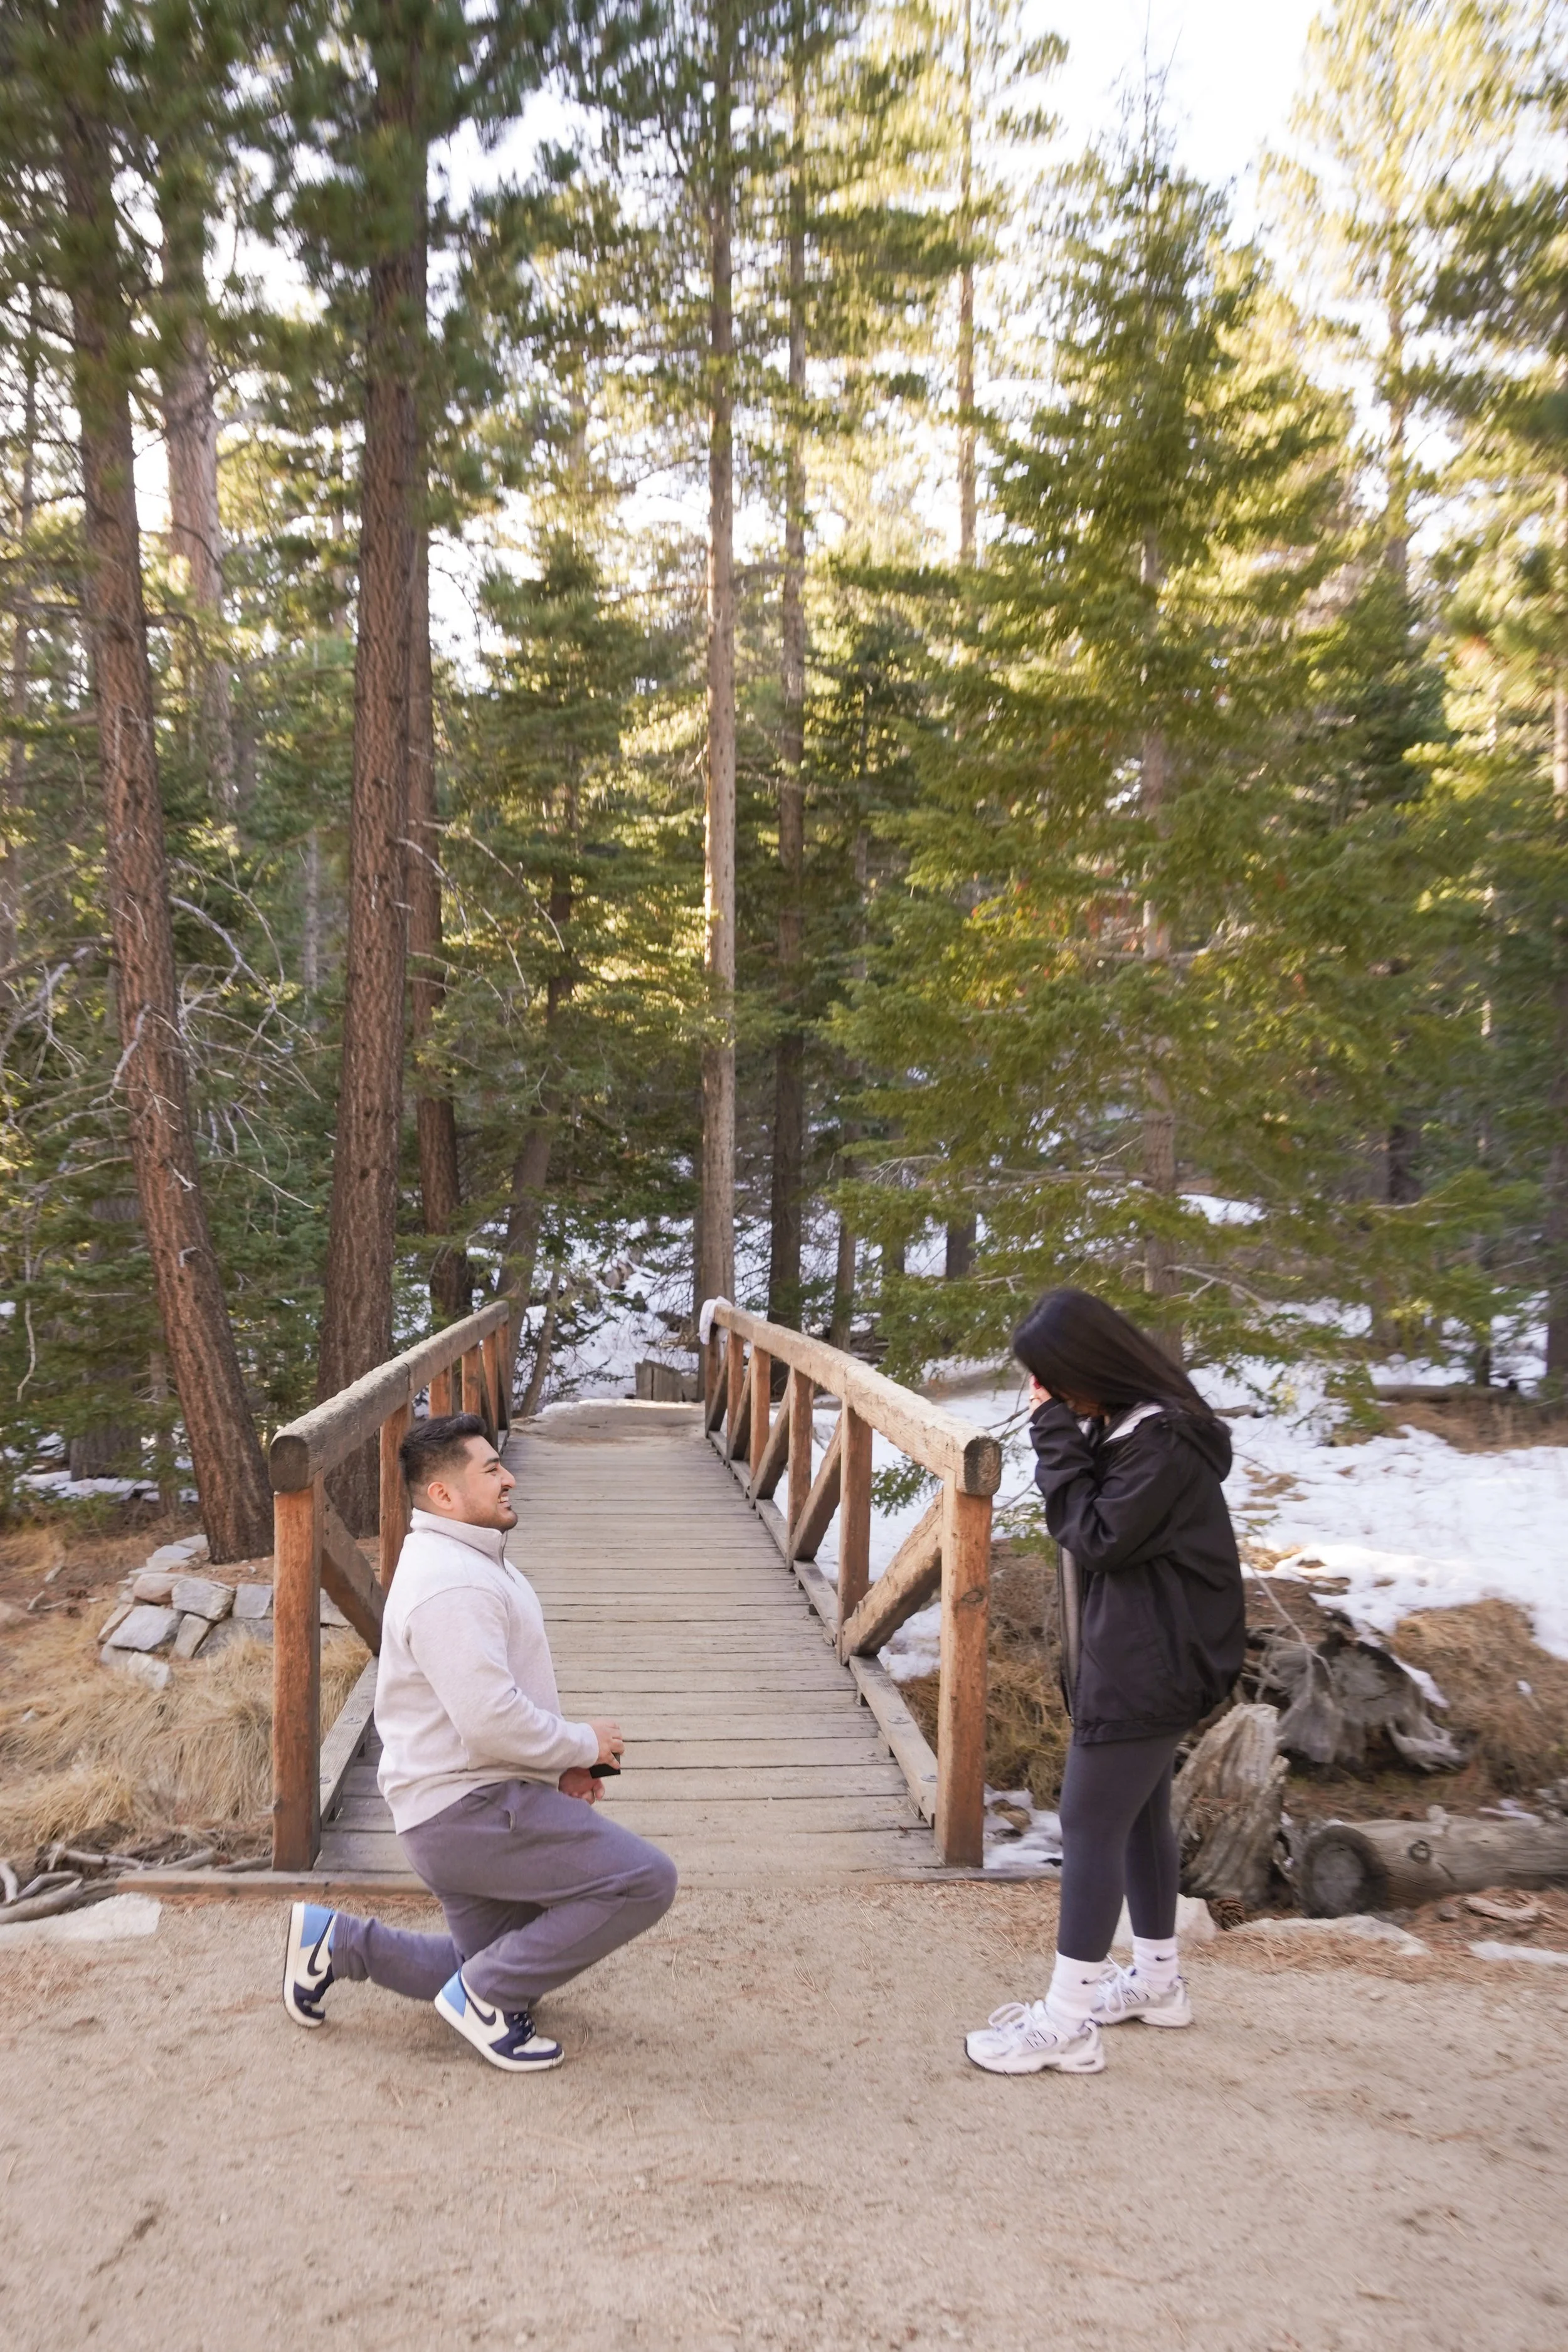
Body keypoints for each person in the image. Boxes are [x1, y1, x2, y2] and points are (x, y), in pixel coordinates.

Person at [281, 1412, 678, 2073]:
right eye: (490, 1469)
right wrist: (583, 1742)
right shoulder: (452, 1582)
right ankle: (485, 1999)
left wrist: (561, 1771)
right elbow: (490, 1721)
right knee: (644, 1880)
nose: (510, 1477)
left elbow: (491, 1709)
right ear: (442, 1495)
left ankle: (338, 1943)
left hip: (456, 1805)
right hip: (467, 1811)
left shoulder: (465, 1559)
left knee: (492, 1962)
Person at [965, 1288, 1244, 2077]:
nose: (1046, 1397)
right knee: (1136, 1815)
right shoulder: (1132, 1429)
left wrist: (1053, 1430)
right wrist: (1070, 1426)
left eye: (1051, 1382)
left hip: (1150, 1663)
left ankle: (1065, 2023)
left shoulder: (1161, 1445)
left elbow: (1093, 1534)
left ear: (1087, 1368)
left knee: (1087, 1824)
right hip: (1150, 1653)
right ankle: (1158, 1984)